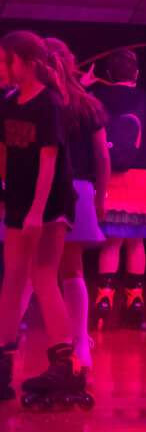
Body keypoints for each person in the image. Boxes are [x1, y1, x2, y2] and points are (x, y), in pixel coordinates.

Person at [0, 31, 82, 409]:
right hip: (17, 199)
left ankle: (65, 365)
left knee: (43, 274)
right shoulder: (9, 102)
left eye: (7, 61)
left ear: (29, 63)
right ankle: (3, 362)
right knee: (13, 275)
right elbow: (3, 153)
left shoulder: (48, 104)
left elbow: (49, 161)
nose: (3, 68)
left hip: (49, 202)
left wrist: (36, 210)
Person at [34, 41, 107, 376]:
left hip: (42, 190)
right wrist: (100, 197)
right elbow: (102, 156)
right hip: (79, 190)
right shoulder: (85, 103)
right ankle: (79, 343)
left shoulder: (36, 103)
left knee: (31, 270)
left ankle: (10, 345)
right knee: (71, 269)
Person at [89, 47, 146, 330]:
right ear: (136, 73)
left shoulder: (96, 98)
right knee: (137, 242)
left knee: (111, 242)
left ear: (109, 74)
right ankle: (135, 303)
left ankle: (104, 299)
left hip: (110, 176)